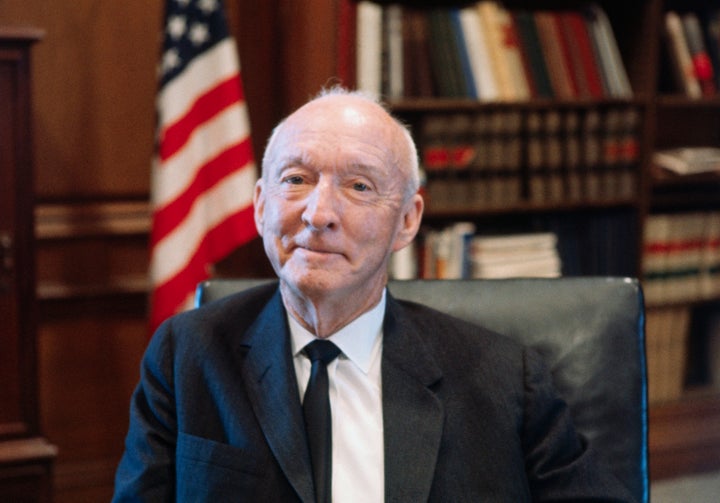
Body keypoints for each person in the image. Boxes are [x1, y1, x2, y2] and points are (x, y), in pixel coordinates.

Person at [113, 87, 636, 502]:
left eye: (359, 186)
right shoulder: (188, 355)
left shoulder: (502, 379)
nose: (318, 214)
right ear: (259, 206)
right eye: (296, 179)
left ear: (407, 221)